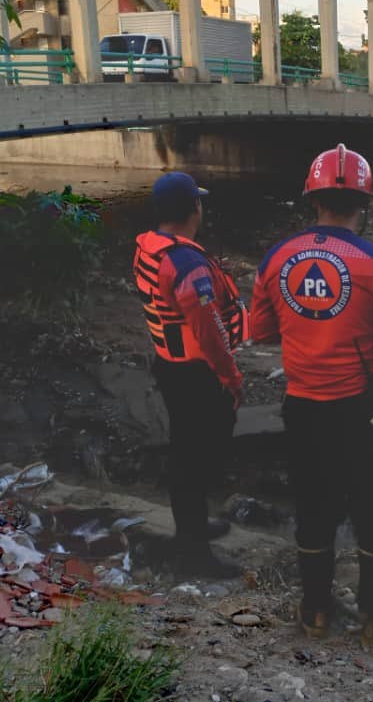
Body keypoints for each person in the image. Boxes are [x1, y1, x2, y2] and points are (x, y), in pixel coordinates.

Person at [251, 144, 373, 647]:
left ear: (314, 201)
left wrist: (306, 325)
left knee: (314, 506)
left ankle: (316, 612)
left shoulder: (276, 258)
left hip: (304, 407)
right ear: (364, 205)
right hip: (367, 408)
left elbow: (261, 332)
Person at [133, 172, 249, 577]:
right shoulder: (187, 265)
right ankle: (195, 554)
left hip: (171, 366)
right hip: (197, 375)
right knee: (196, 460)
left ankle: (194, 528)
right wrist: (231, 377)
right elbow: (210, 331)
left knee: (188, 453)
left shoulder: (151, 248)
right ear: (194, 209)